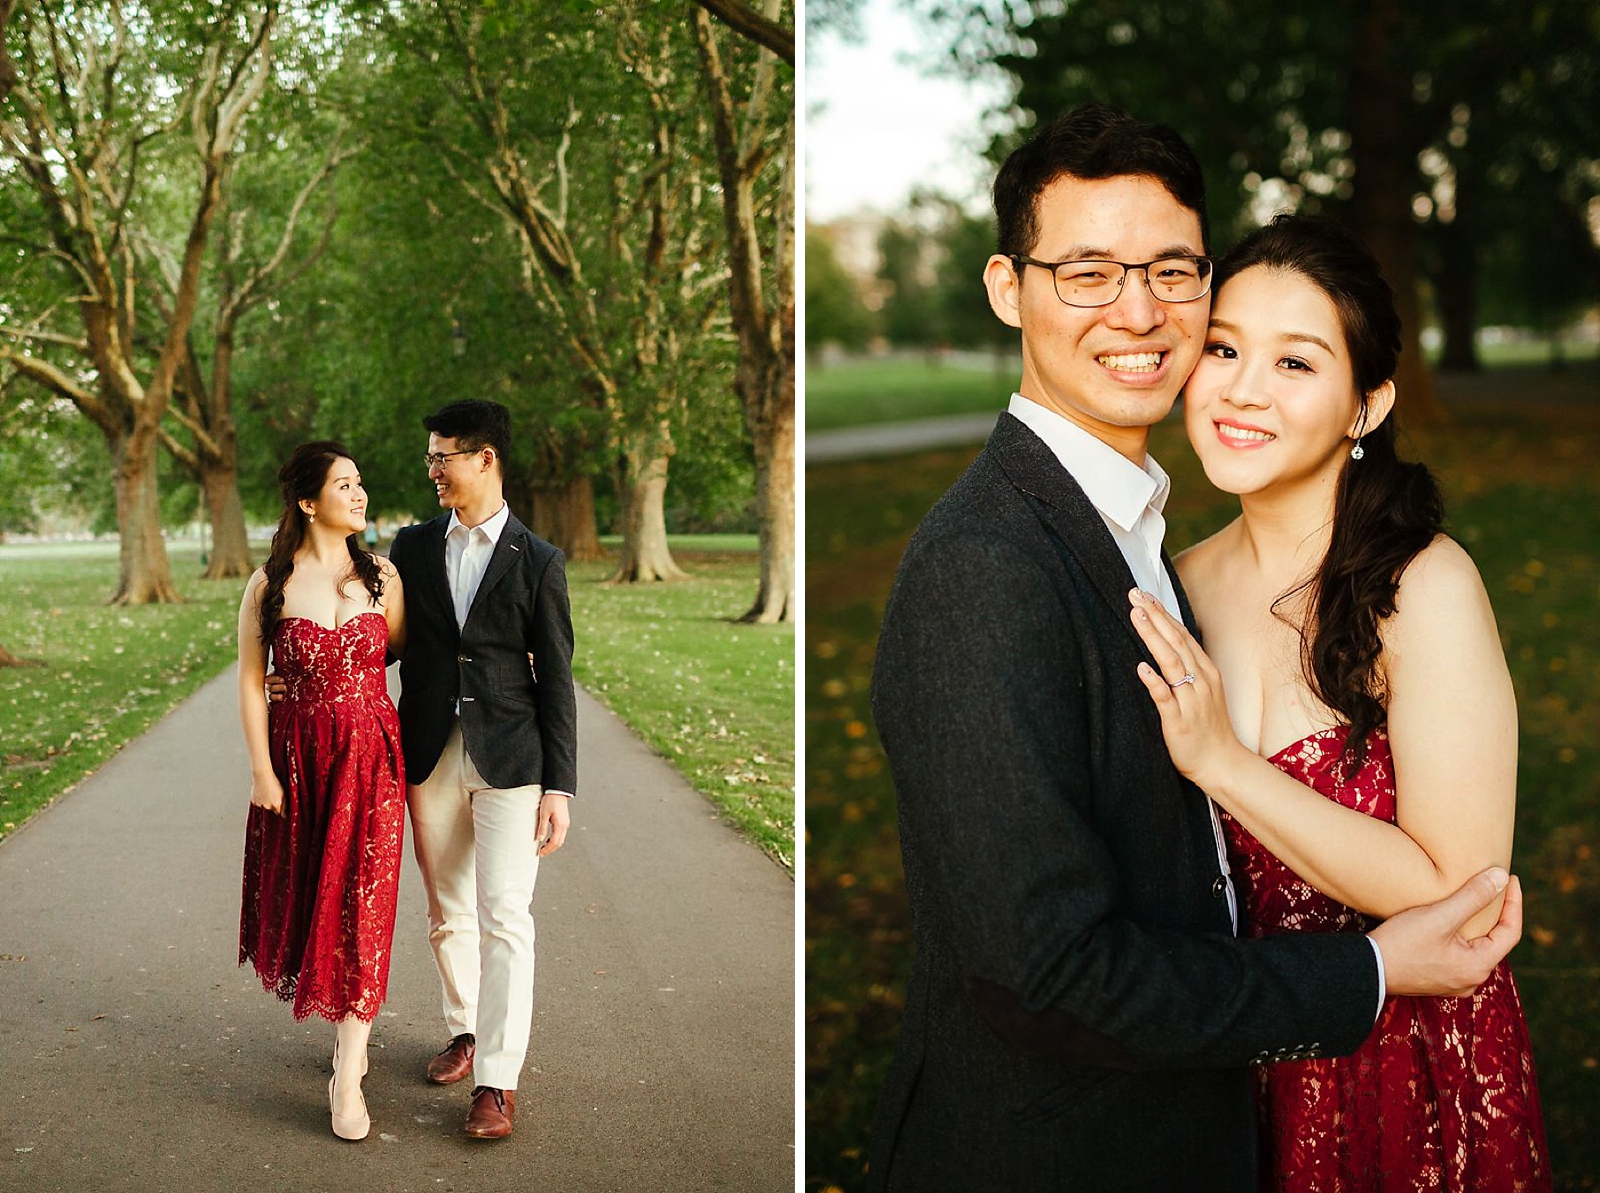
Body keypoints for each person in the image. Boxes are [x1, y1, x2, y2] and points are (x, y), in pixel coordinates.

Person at [866, 104, 1524, 1191]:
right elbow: (1044, 969)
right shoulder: (985, 566)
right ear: (1005, 288)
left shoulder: (1137, 540)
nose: (1138, 310)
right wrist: (1360, 969)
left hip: (1285, 1088)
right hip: (1072, 1142)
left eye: (1172, 273)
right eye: (1085, 273)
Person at [1126, 213, 1549, 1189]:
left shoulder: (1423, 586)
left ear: (1365, 405)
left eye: (1295, 363)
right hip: (1229, 1056)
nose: (1240, 388)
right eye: (1223, 347)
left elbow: (1464, 890)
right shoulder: (1167, 587)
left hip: (1399, 1062)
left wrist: (1222, 763)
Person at [386, 399, 577, 1140]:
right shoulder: (410, 545)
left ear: (485, 459)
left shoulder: (540, 561)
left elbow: (556, 679)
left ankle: (497, 1079)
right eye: (431, 457)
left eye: (444, 456)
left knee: (506, 917)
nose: (433, 469)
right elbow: (388, 640)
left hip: (514, 756)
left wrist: (560, 784)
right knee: (446, 913)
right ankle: (464, 1028)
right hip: (429, 750)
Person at [237, 440, 407, 1142]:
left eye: (361, 482)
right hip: (300, 760)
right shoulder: (267, 583)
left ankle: (349, 1065)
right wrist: (261, 770)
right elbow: (251, 678)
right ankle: (342, 1036)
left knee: (363, 902)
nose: (360, 494)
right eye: (346, 484)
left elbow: (400, 651)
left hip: (373, 757)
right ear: (309, 501)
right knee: (316, 896)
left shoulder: (386, 577)